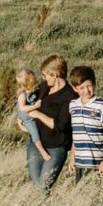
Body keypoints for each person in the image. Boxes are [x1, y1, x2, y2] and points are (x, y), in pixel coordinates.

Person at [19, 55, 76, 190]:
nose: (43, 79)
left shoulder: (70, 96)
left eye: (45, 75)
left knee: (42, 187)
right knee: (36, 186)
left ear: (55, 74)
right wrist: (22, 118)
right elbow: (28, 102)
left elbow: (61, 126)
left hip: (56, 148)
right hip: (36, 145)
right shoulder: (44, 88)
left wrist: (38, 114)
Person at [67, 66, 103, 181]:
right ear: (75, 88)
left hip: (97, 163)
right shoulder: (73, 105)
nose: (86, 90)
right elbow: (76, 135)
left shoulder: (101, 105)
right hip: (79, 163)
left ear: (94, 84)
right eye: (82, 88)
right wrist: (72, 158)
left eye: (89, 86)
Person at [14, 67, 50, 186]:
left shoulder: (31, 92)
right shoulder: (22, 95)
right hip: (27, 117)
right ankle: (42, 151)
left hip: (29, 115)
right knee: (35, 134)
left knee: (36, 129)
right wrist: (35, 106)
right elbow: (23, 108)